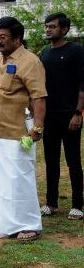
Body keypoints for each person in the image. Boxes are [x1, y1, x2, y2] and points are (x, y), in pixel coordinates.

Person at [0, 16, 46, 242]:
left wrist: (37, 128)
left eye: (3, 37)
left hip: (18, 131)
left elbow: (38, 97)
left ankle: (29, 224)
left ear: (17, 39)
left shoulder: (30, 61)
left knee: (19, 177)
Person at [39, 13, 84, 220]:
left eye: (52, 27)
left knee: (73, 160)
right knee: (51, 160)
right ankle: (51, 203)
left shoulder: (76, 51)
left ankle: (77, 205)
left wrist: (78, 113)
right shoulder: (44, 53)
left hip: (70, 116)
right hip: (49, 116)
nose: (48, 30)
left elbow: (82, 85)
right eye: (47, 26)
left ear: (64, 29)